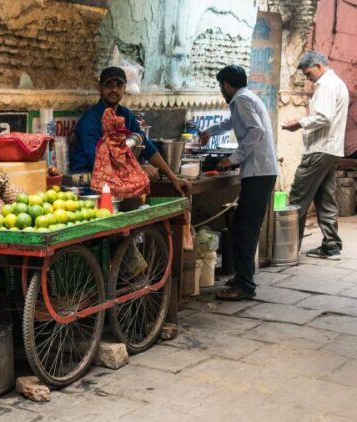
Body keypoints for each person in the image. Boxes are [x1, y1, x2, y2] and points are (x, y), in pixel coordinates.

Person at [199, 65, 279, 300]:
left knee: (245, 229)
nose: (221, 90)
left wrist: (231, 159)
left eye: (220, 86)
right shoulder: (245, 98)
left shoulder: (241, 100)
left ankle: (244, 285)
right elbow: (232, 123)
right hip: (260, 171)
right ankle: (242, 277)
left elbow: (256, 131)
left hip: (259, 172)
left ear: (226, 85)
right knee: (243, 228)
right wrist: (210, 131)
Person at [70, 66, 189, 198]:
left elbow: (147, 147)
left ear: (124, 89)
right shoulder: (90, 120)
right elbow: (97, 161)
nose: (114, 90)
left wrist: (174, 178)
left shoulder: (125, 115)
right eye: (108, 85)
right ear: (100, 88)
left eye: (118, 85)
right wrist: (137, 169)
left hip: (115, 182)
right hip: (88, 188)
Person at [281, 51, 349, 260]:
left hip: (319, 149)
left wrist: (299, 123)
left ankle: (287, 249)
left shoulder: (327, 85)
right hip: (331, 150)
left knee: (297, 198)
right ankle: (331, 246)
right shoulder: (337, 83)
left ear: (319, 65)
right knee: (325, 199)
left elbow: (324, 117)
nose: (307, 78)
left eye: (308, 73)